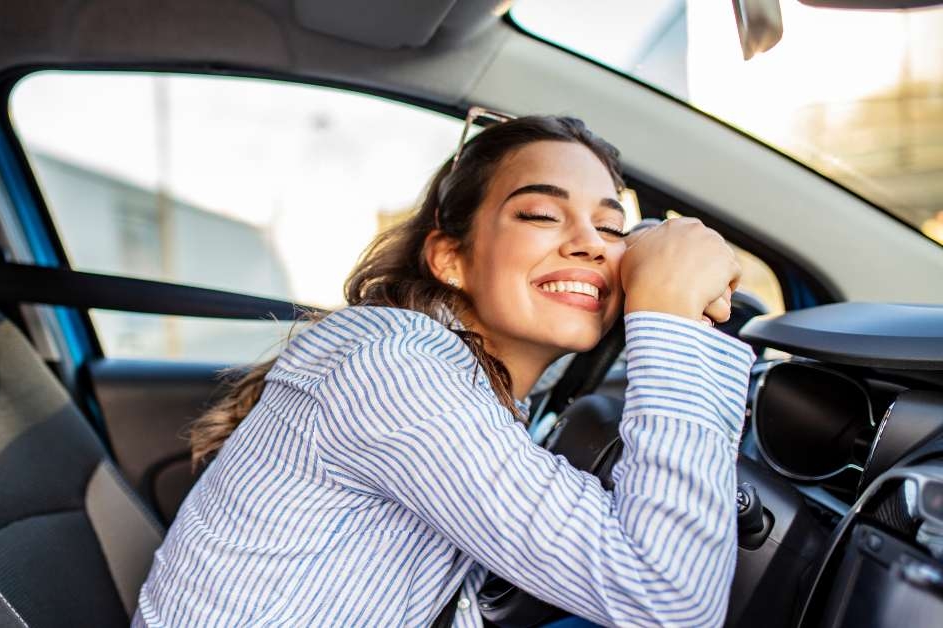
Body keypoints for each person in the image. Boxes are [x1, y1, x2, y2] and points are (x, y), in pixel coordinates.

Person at [133, 114, 754, 627]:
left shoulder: (470, 377)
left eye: (612, 227)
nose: (591, 243)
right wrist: (669, 317)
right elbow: (669, 599)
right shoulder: (397, 369)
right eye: (541, 215)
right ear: (451, 259)